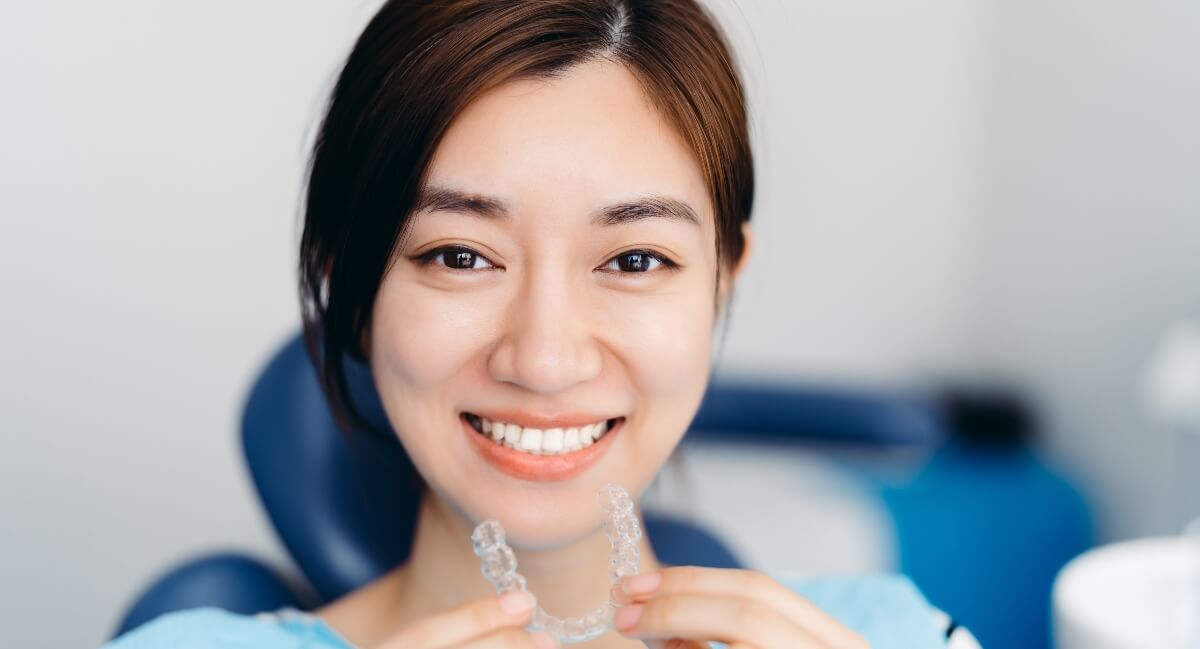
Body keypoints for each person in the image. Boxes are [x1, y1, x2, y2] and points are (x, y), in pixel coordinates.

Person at [106, 1, 980, 647]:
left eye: (635, 261)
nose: (546, 357)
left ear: (721, 283)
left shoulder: (893, 630)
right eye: (460, 255)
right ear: (353, 289)